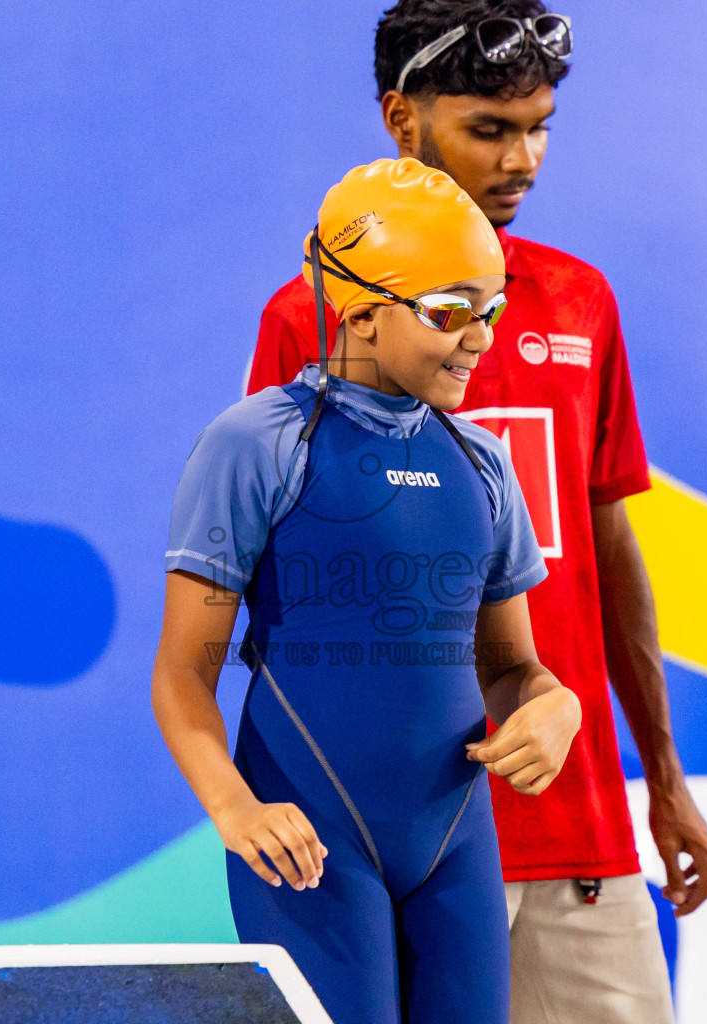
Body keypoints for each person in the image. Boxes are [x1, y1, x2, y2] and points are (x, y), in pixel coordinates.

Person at [245, 4, 707, 1021]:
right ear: (401, 120)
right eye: (492, 130)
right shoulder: (313, 318)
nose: (526, 158)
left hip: (577, 827)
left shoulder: (581, 301)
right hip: (391, 829)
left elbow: (604, 547)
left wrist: (663, 779)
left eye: (541, 125)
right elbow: (274, 589)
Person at [154, 157, 584, 1024]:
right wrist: (236, 811)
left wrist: (555, 704)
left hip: (455, 840)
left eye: (491, 310)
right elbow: (181, 675)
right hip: (309, 843)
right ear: (360, 313)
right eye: (451, 312)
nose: (482, 337)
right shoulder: (257, 445)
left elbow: (512, 669)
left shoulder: (483, 463)